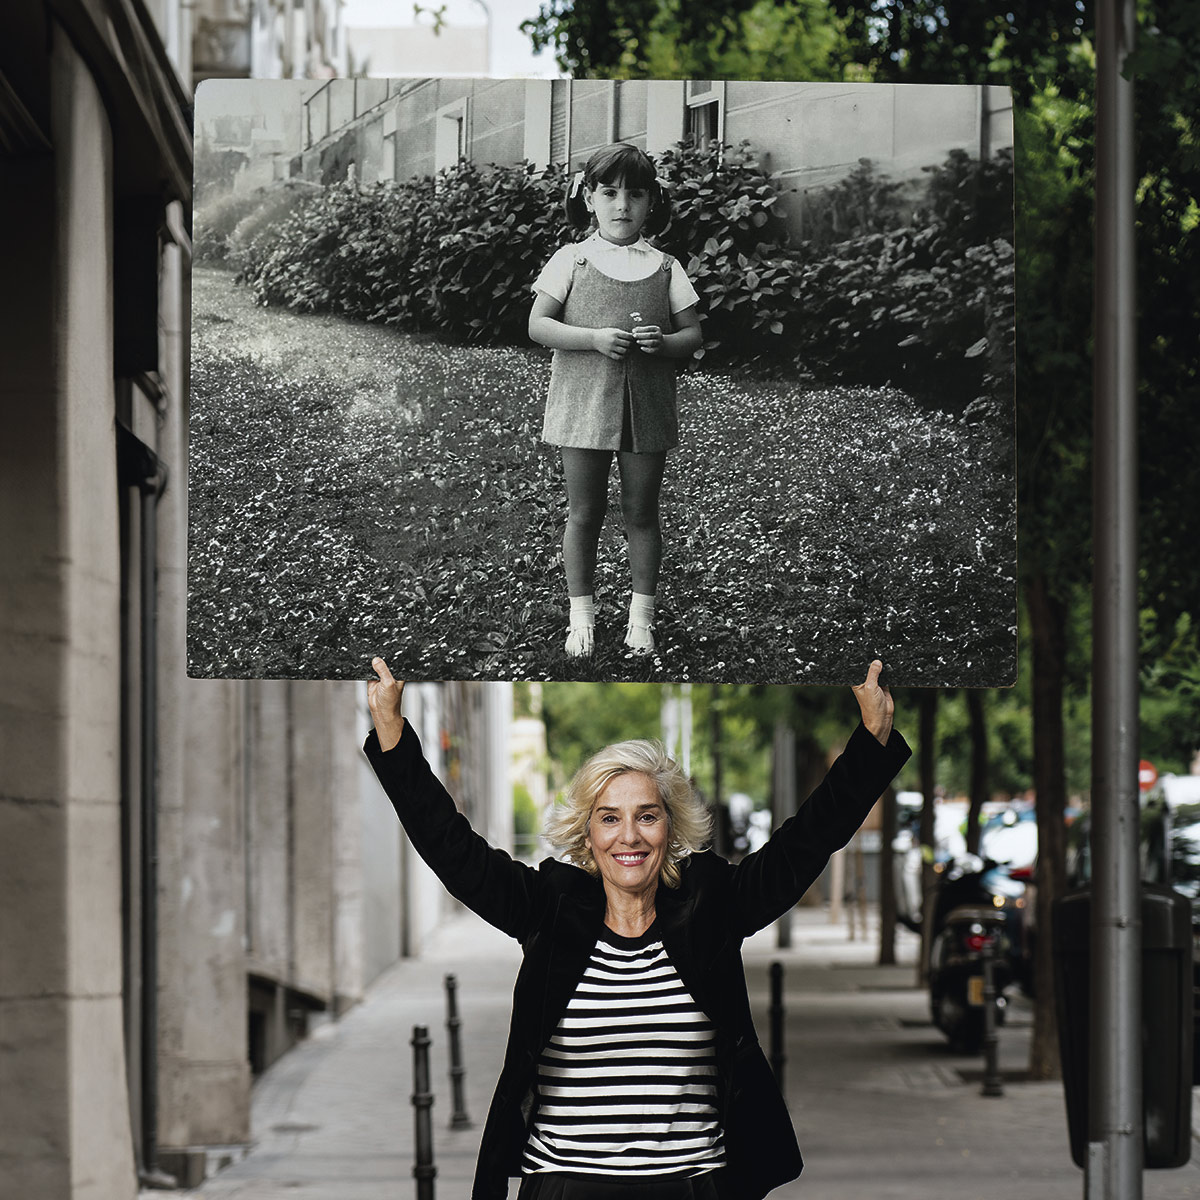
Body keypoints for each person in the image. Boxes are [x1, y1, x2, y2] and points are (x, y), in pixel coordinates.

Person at [365, 656, 911, 1200]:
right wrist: (393, 734)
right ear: (587, 834)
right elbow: (452, 849)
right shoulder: (547, 909)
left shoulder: (711, 907)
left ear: (670, 828)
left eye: (647, 815)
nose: (630, 836)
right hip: (565, 1188)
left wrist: (869, 741)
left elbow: (805, 844)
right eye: (610, 817)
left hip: (693, 1187)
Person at [528, 143, 704, 659]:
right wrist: (593, 338)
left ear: (652, 203)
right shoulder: (572, 259)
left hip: (646, 407)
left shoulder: (667, 267)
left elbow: (692, 336)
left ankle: (640, 619)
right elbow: (538, 325)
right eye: (609, 193)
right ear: (589, 199)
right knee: (584, 513)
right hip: (583, 405)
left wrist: (664, 344)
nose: (621, 205)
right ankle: (581, 616)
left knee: (641, 513)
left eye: (635, 195)